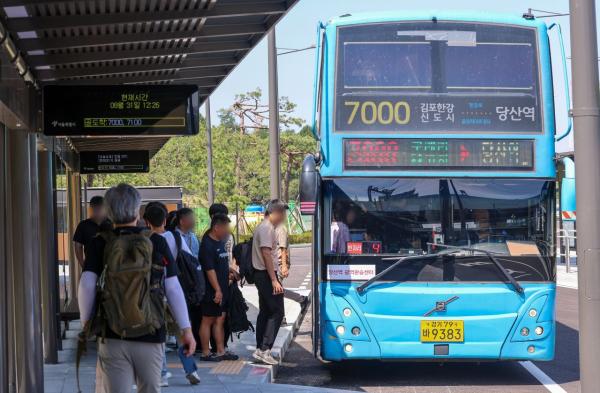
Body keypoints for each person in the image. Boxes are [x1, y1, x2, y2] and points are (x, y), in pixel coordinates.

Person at [78, 184, 196, 393]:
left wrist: (86, 323)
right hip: (151, 332)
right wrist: (186, 329)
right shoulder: (156, 241)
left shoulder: (100, 243)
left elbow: (86, 284)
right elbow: (173, 288)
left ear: (110, 211)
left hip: (112, 333)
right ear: (136, 210)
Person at [143, 202, 201, 386]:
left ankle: (162, 373)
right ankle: (191, 370)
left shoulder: (146, 241)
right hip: (176, 290)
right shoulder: (175, 237)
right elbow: (190, 258)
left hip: (155, 293)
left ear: (146, 221)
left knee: (158, 332)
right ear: (166, 219)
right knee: (181, 332)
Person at [251, 199, 288, 365]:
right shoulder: (267, 229)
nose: (283, 217)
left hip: (262, 274)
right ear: (275, 212)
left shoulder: (264, 227)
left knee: (265, 311)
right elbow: (266, 254)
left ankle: (260, 348)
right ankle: (265, 349)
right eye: (282, 213)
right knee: (277, 311)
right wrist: (274, 280)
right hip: (265, 275)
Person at [198, 214, 239, 361]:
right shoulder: (207, 245)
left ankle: (221, 350)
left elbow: (220, 263)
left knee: (220, 319)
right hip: (212, 291)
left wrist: (231, 271)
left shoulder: (219, 242)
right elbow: (209, 270)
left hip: (222, 288)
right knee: (207, 320)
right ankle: (205, 352)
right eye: (226, 228)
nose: (228, 231)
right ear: (216, 227)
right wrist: (217, 289)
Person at [73, 195, 110, 268]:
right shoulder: (83, 225)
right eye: (94, 210)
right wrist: (83, 264)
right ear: (90, 209)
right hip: (90, 266)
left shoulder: (112, 224)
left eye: (99, 209)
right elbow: (78, 246)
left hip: (109, 266)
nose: (97, 212)